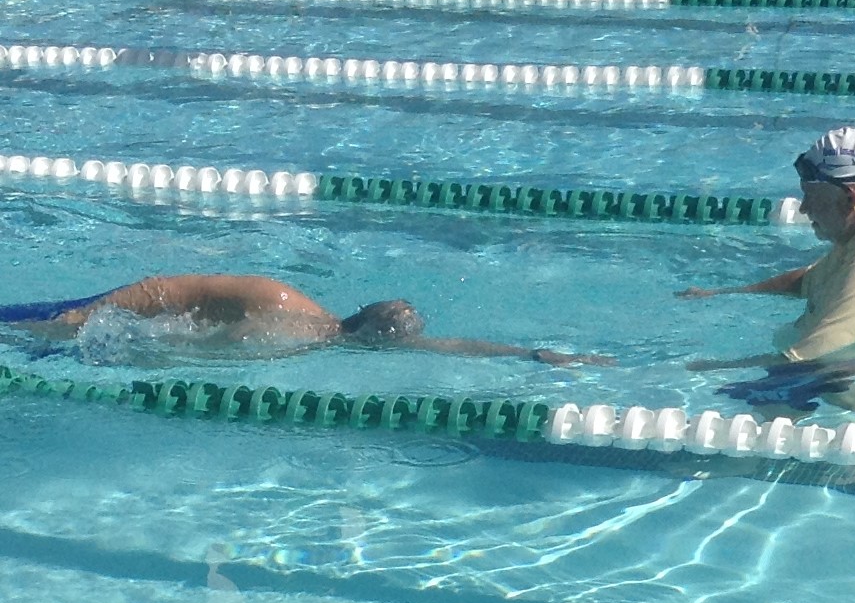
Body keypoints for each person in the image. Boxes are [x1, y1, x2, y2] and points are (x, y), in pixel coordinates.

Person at [676, 126, 855, 419]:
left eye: (810, 197)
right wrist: (723, 294)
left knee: (720, 418)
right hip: (836, 379)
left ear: (850, 198)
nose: (803, 208)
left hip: (845, 394)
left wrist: (700, 369)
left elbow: (802, 359)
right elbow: (806, 281)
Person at [1, 274, 615, 366]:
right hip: (119, 311)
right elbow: (176, 287)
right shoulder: (285, 305)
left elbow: (443, 346)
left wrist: (530, 354)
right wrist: (88, 314)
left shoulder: (325, 341)